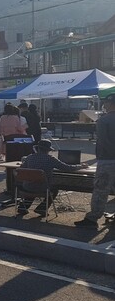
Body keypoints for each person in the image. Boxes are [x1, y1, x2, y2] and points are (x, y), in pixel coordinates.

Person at [75, 93, 115, 229]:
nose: (104, 105)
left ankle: (93, 218)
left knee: (101, 190)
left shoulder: (104, 120)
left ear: (110, 104)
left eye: (106, 103)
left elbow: (103, 141)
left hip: (107, 160)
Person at [17, 140, 87, 216]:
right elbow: (67, 168)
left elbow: (22, 169)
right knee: (54, 190)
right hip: (42, 187)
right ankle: (42, 208)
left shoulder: (30, 157)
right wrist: (80, 166)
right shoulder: (50, 159)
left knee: (33, 183)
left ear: (38, 149)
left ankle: (23, 207)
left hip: (27, 186)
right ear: (48, 150)